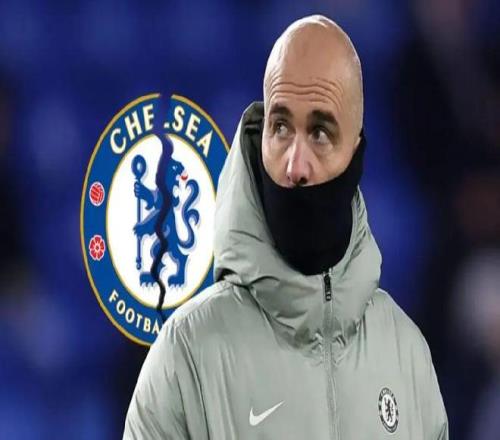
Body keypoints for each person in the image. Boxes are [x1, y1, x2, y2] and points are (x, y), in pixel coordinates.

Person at [123, 15, 448, 439]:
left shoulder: (407, 357)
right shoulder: (186, 354)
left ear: (356, 152)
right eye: (280, 128)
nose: (296, 166)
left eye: (320, 133)